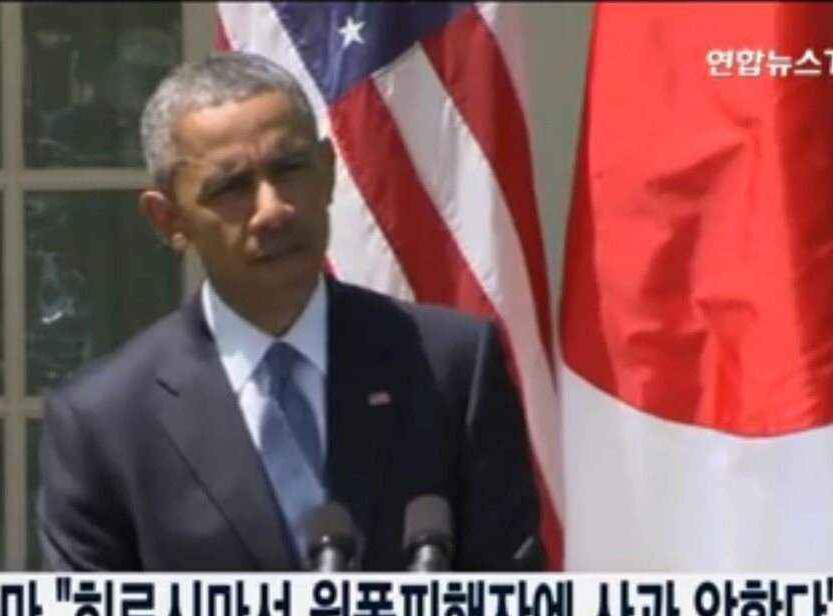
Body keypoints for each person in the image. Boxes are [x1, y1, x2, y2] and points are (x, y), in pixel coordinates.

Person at [37, 52, 545, 572]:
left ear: (327, 171)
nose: (273, 209)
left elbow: (514, 598)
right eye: (231, 188)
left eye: (290, 169)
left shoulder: (448, 367)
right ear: (168, 219)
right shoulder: (104, 423)